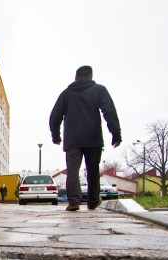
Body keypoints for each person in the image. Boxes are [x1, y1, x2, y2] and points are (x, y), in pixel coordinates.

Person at [49, 65, 122, 211]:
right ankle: (93, 201)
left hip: (72, 139)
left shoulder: (67, 93)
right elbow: (109, 112)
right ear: (91, 76)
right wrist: (116, 134)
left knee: (73, 170)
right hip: (93, 137)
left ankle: (74, 202)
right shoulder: (99, 90)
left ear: (75, 77)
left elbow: (54, 116)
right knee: (93, 170)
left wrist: (56, 136)